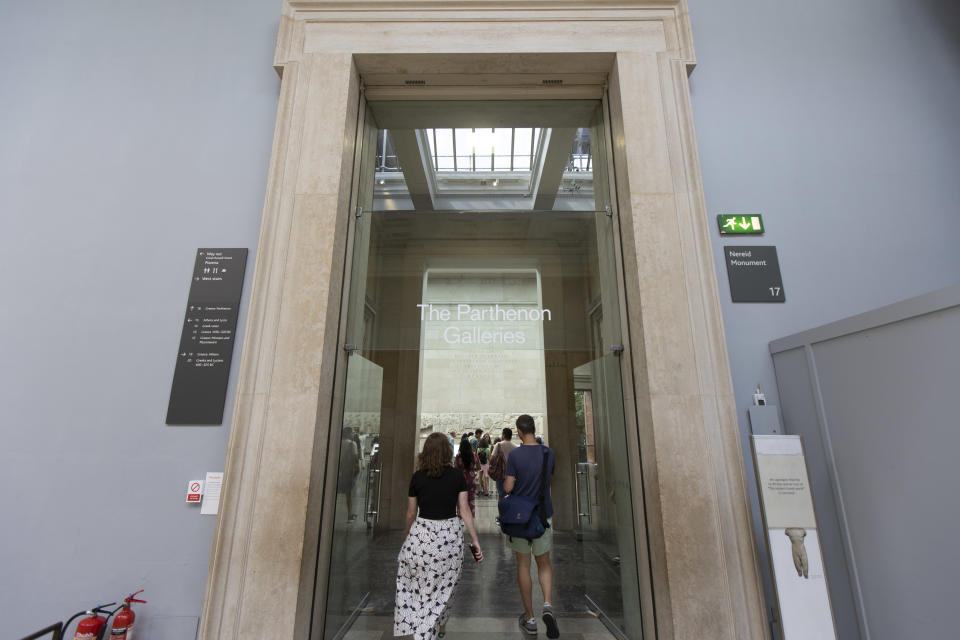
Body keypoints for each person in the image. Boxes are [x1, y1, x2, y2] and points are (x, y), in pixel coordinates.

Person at [395, 433, 483, 640]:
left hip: (422, 534)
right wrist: (475, 539)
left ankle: (424, 626)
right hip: (448, 537)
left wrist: (407, 531)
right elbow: (464, 510)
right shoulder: (457, 476)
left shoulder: (417, 477)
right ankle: (433, 629)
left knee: (420, 586)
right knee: (445, 588)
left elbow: (410, 512)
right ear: (446, 452)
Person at [503, 415, 559, 638]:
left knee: (523, 565)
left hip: (520, 517)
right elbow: (548, 478)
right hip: (543, 515)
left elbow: (508, 487)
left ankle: (530, 618)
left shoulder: (515, 455)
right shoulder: (548, 453)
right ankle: (547, 604)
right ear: (534, 430)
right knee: (543, 562)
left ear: (519, 431)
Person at [454, 434, 480, 516]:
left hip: (460, 479)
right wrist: (472, 469)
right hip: (471, 479)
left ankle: (460, 515)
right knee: (471, 498)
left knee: (460, 498)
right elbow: (478, 467)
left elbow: (456, 468)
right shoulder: (474, 456)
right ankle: (470, 515)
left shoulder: (458, 457)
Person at [338, 427, 360, 520]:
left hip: (338, 471)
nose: (353, 435)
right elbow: (355, 457)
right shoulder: (352, 444)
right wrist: (357, 468)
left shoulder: (338, 443)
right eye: (352, 433)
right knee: (349, 494)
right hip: (348, 470)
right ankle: (349, 514)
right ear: (349, 434)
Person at [489, 427, 518, 498]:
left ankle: (501, 508)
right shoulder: (515, 447)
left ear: (504, 435)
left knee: (501, 495)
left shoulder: (498, 445)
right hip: (512, 474)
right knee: (512, 495)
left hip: (500, 474)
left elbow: (492, 460)